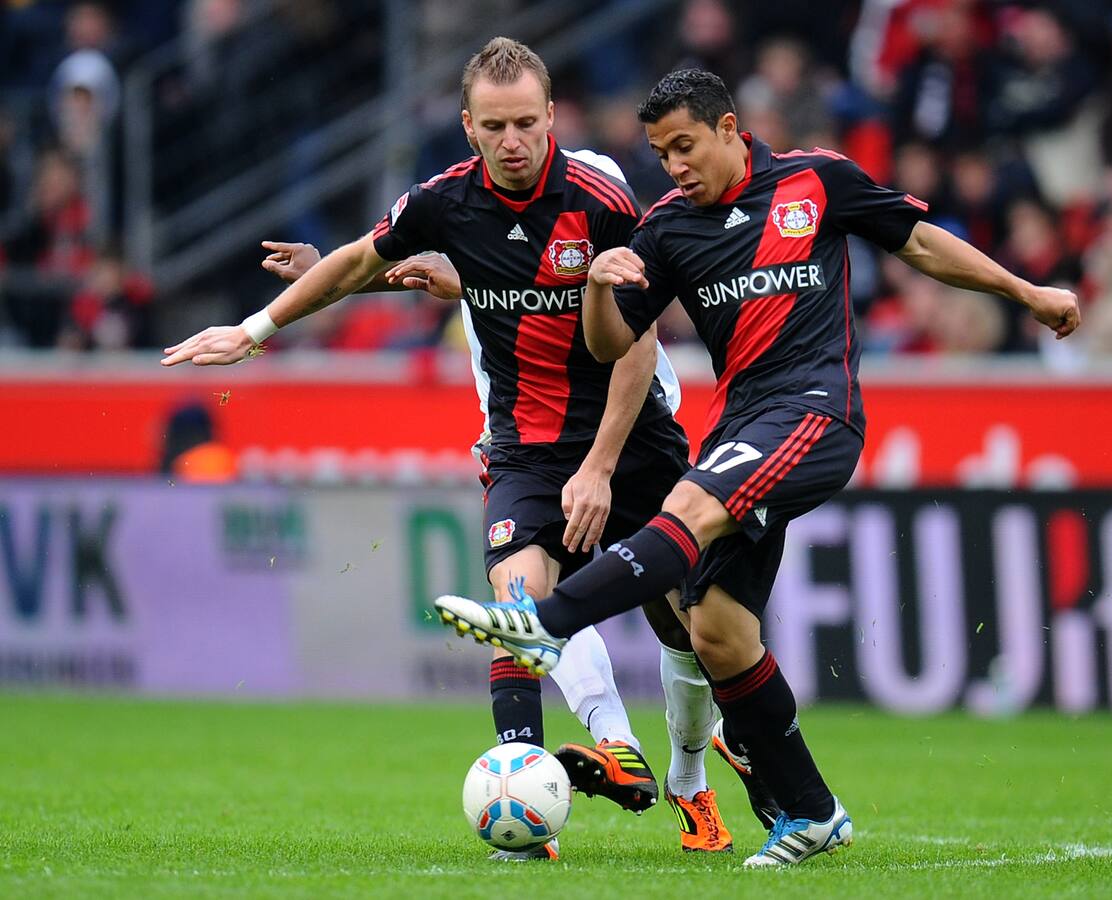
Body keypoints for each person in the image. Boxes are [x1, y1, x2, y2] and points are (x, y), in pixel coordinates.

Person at [434, 68, 1081, 868]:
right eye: (660, 152)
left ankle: (544, 623)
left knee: (688, 513)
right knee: (719, 632)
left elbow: (918, 242)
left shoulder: (818, 181)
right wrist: (598, 284)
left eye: (684, 146)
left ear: (730, 128)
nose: (672, 166)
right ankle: (811, 812)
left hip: (815, 409)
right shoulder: (666, 230)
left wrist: (1025, 291)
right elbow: (608, 346)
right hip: (741, 426)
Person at [160, 39, 732, 858]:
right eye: (494, 126)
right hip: (526, 443)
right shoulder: (444, 203)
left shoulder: (601, 192)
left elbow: (632, 335)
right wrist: (256, 330)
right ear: (468, 127)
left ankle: (688, 782)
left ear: (551, 120)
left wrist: (603, 467)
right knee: (518, 608)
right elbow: (377, 258)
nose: (512, 140)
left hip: (627, 432)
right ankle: (535, 806)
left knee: (692, 629)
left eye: (527, 123)